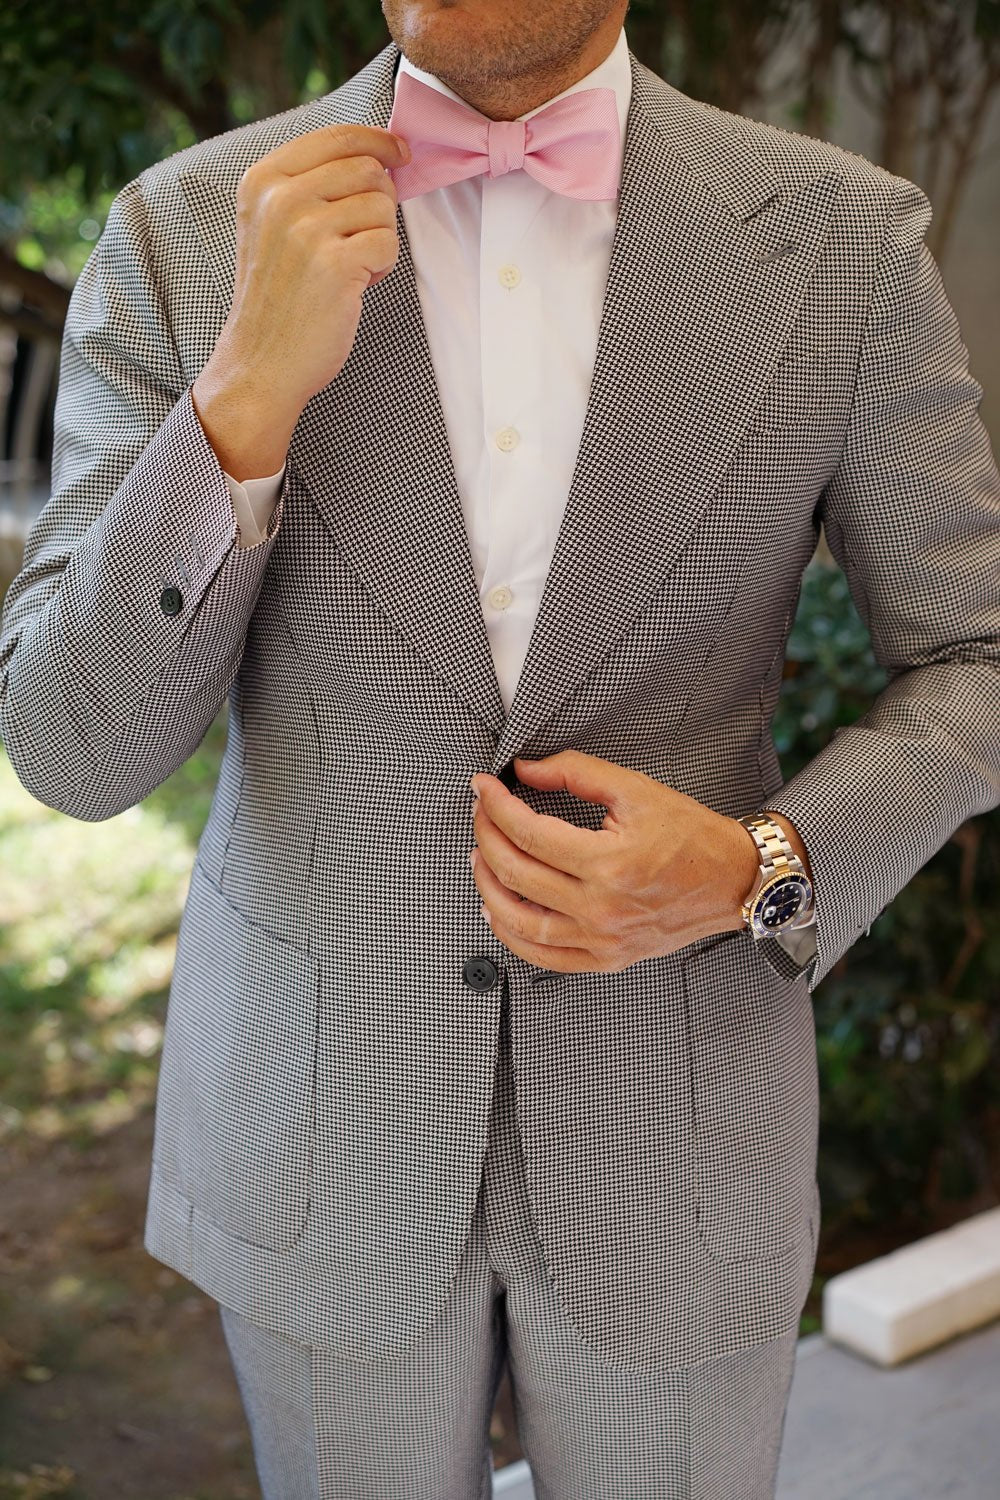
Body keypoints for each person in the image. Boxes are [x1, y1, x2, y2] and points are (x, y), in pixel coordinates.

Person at [2, 0, 998, 1495]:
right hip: (320, 1135)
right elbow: (71, 752)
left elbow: (975, 655)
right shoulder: (185, 232)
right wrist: (241, 401)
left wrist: (761, 864)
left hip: (679, 1143)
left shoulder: (839, 243)